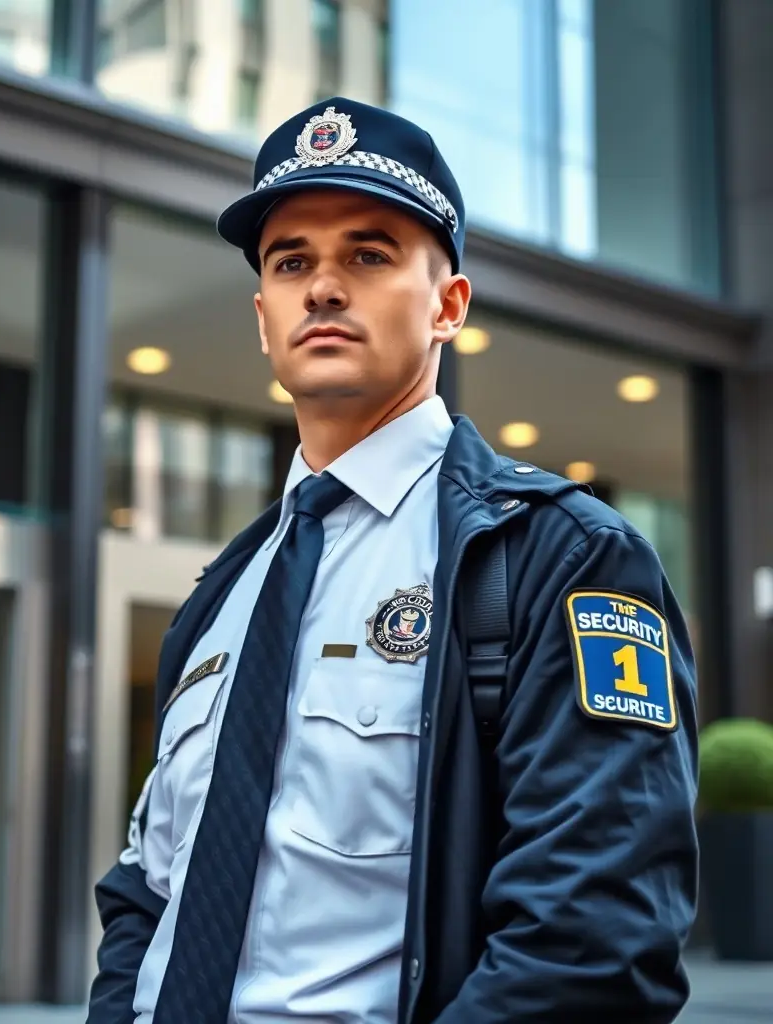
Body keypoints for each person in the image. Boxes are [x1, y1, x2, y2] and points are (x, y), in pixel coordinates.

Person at [87, 97, 699, 1024]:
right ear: (264, 319)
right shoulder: (225, 593)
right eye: (292, 261)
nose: (324, 287)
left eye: (368, 256)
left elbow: (595, 940)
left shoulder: (561, 559)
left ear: (449, 305)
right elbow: (146, 885)